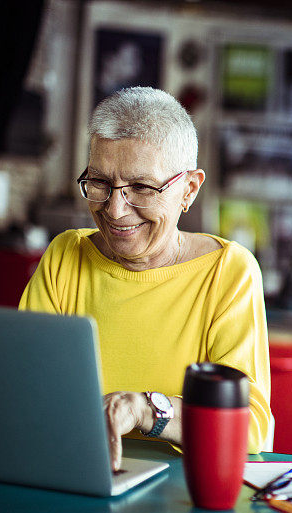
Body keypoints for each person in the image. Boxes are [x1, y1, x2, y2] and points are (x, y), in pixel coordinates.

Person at [19, 87, 271, 470]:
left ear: (188, 189)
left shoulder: (228, 272)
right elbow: (22, 391)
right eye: (100, 182)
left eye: (141, 187)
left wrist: (147, 410)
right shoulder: (65, 255)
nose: (115, 210)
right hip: (72, 473)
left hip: (181, 493)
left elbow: (249, 428)